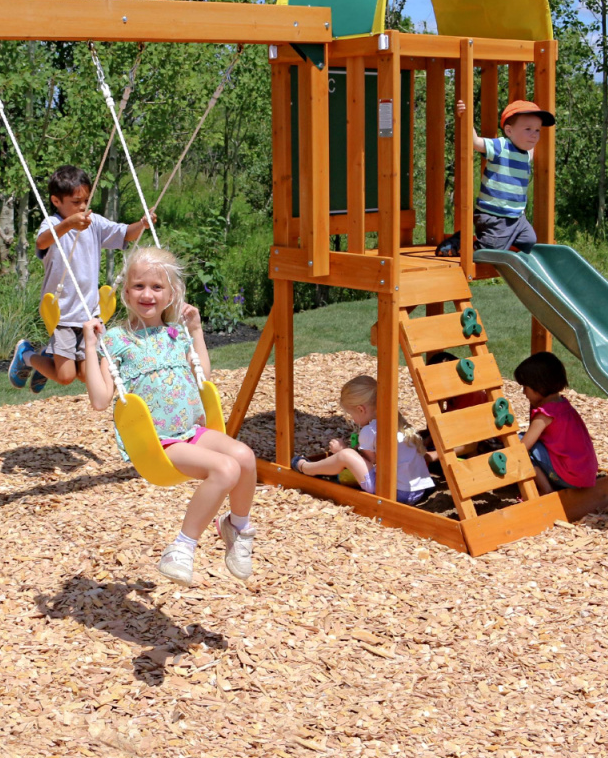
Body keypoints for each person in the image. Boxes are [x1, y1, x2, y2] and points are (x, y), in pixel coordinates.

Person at [81, 246, 258, 586]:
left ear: (171, 293)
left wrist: (196, 332)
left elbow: (202, 376)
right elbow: (101, 400)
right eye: (138, 286)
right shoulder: (116, 341)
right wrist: (90, 347)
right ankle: (182, 547)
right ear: (126, 291)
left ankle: (237, 527)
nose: (147, 294)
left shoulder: (176, 334)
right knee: (225, 468)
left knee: (245, 457)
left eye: (157, 287)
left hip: (190, 430)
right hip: (158, 442)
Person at [8, 164, 154, 393]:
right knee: (65, 377)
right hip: (63, 314)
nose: (83, 207)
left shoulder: (94, 222)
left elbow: (125, 233)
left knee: (89, 375)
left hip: (89, 314)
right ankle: (26, 355)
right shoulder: (53, 224)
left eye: (86, 200)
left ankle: (49, 358)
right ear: (56, 201)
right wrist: (69, 224)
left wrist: (142, 224)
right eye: (76, 202)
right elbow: (41, 243)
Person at [291, 375, 435, 506]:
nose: (352, 419)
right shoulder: (396, 421)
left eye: (351, 414)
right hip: (417, 490)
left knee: (345, 455)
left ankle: (307, 468)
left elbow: (368, 463)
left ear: (361, 409)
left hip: (398, 494)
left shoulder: (370, 430)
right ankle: (323, 467)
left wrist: (342, 450)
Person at [436, 99, 555, 256]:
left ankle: (497, 244)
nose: (534, 135)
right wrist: (464, 117)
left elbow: (532, 145)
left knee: (529, 240)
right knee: (490, 251)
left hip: (516, 217)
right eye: (528, 129)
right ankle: (459, 243)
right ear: (509, 131)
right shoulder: (501, 147)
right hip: (494, 215)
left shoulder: (526, 154)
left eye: (537, 130)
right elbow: (476, 142)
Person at [514, 352, 598, 496]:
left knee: (518, 441)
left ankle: (546, 490)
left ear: (538, 387)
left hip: (569, 478)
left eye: (525, 387)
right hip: (586, 476)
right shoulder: (563, 405)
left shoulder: (545, 414)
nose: (523, 393)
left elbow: (523, 446)